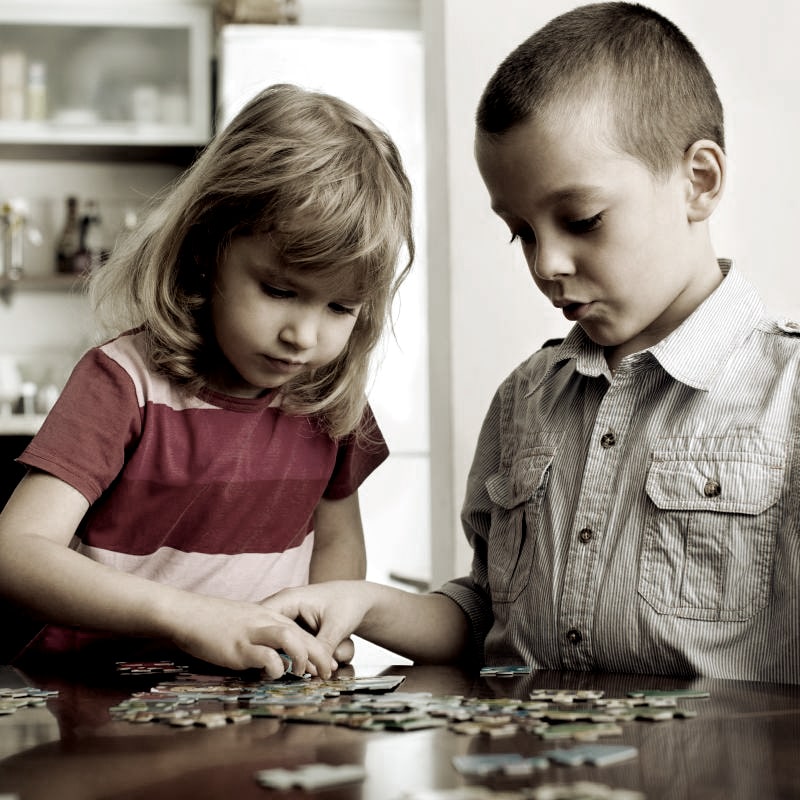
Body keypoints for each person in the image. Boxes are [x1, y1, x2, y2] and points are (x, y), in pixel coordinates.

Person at [264, 3, 800, 684]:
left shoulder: (789, 396)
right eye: (521, 231)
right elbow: (490, 615)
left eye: (581, 220)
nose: (546, 262)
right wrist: (363, 603)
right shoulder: (526, 397)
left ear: (699, 181)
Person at [0, 83, 414, 679]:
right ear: (205, 249)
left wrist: (321, 625)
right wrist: (191, 617)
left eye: (340, 308)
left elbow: (336, 541)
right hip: (101, 701)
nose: (303, 335)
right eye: (279, 291)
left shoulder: (330, 396)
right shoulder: (122, 383)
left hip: (253, 702)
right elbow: (17, 553)